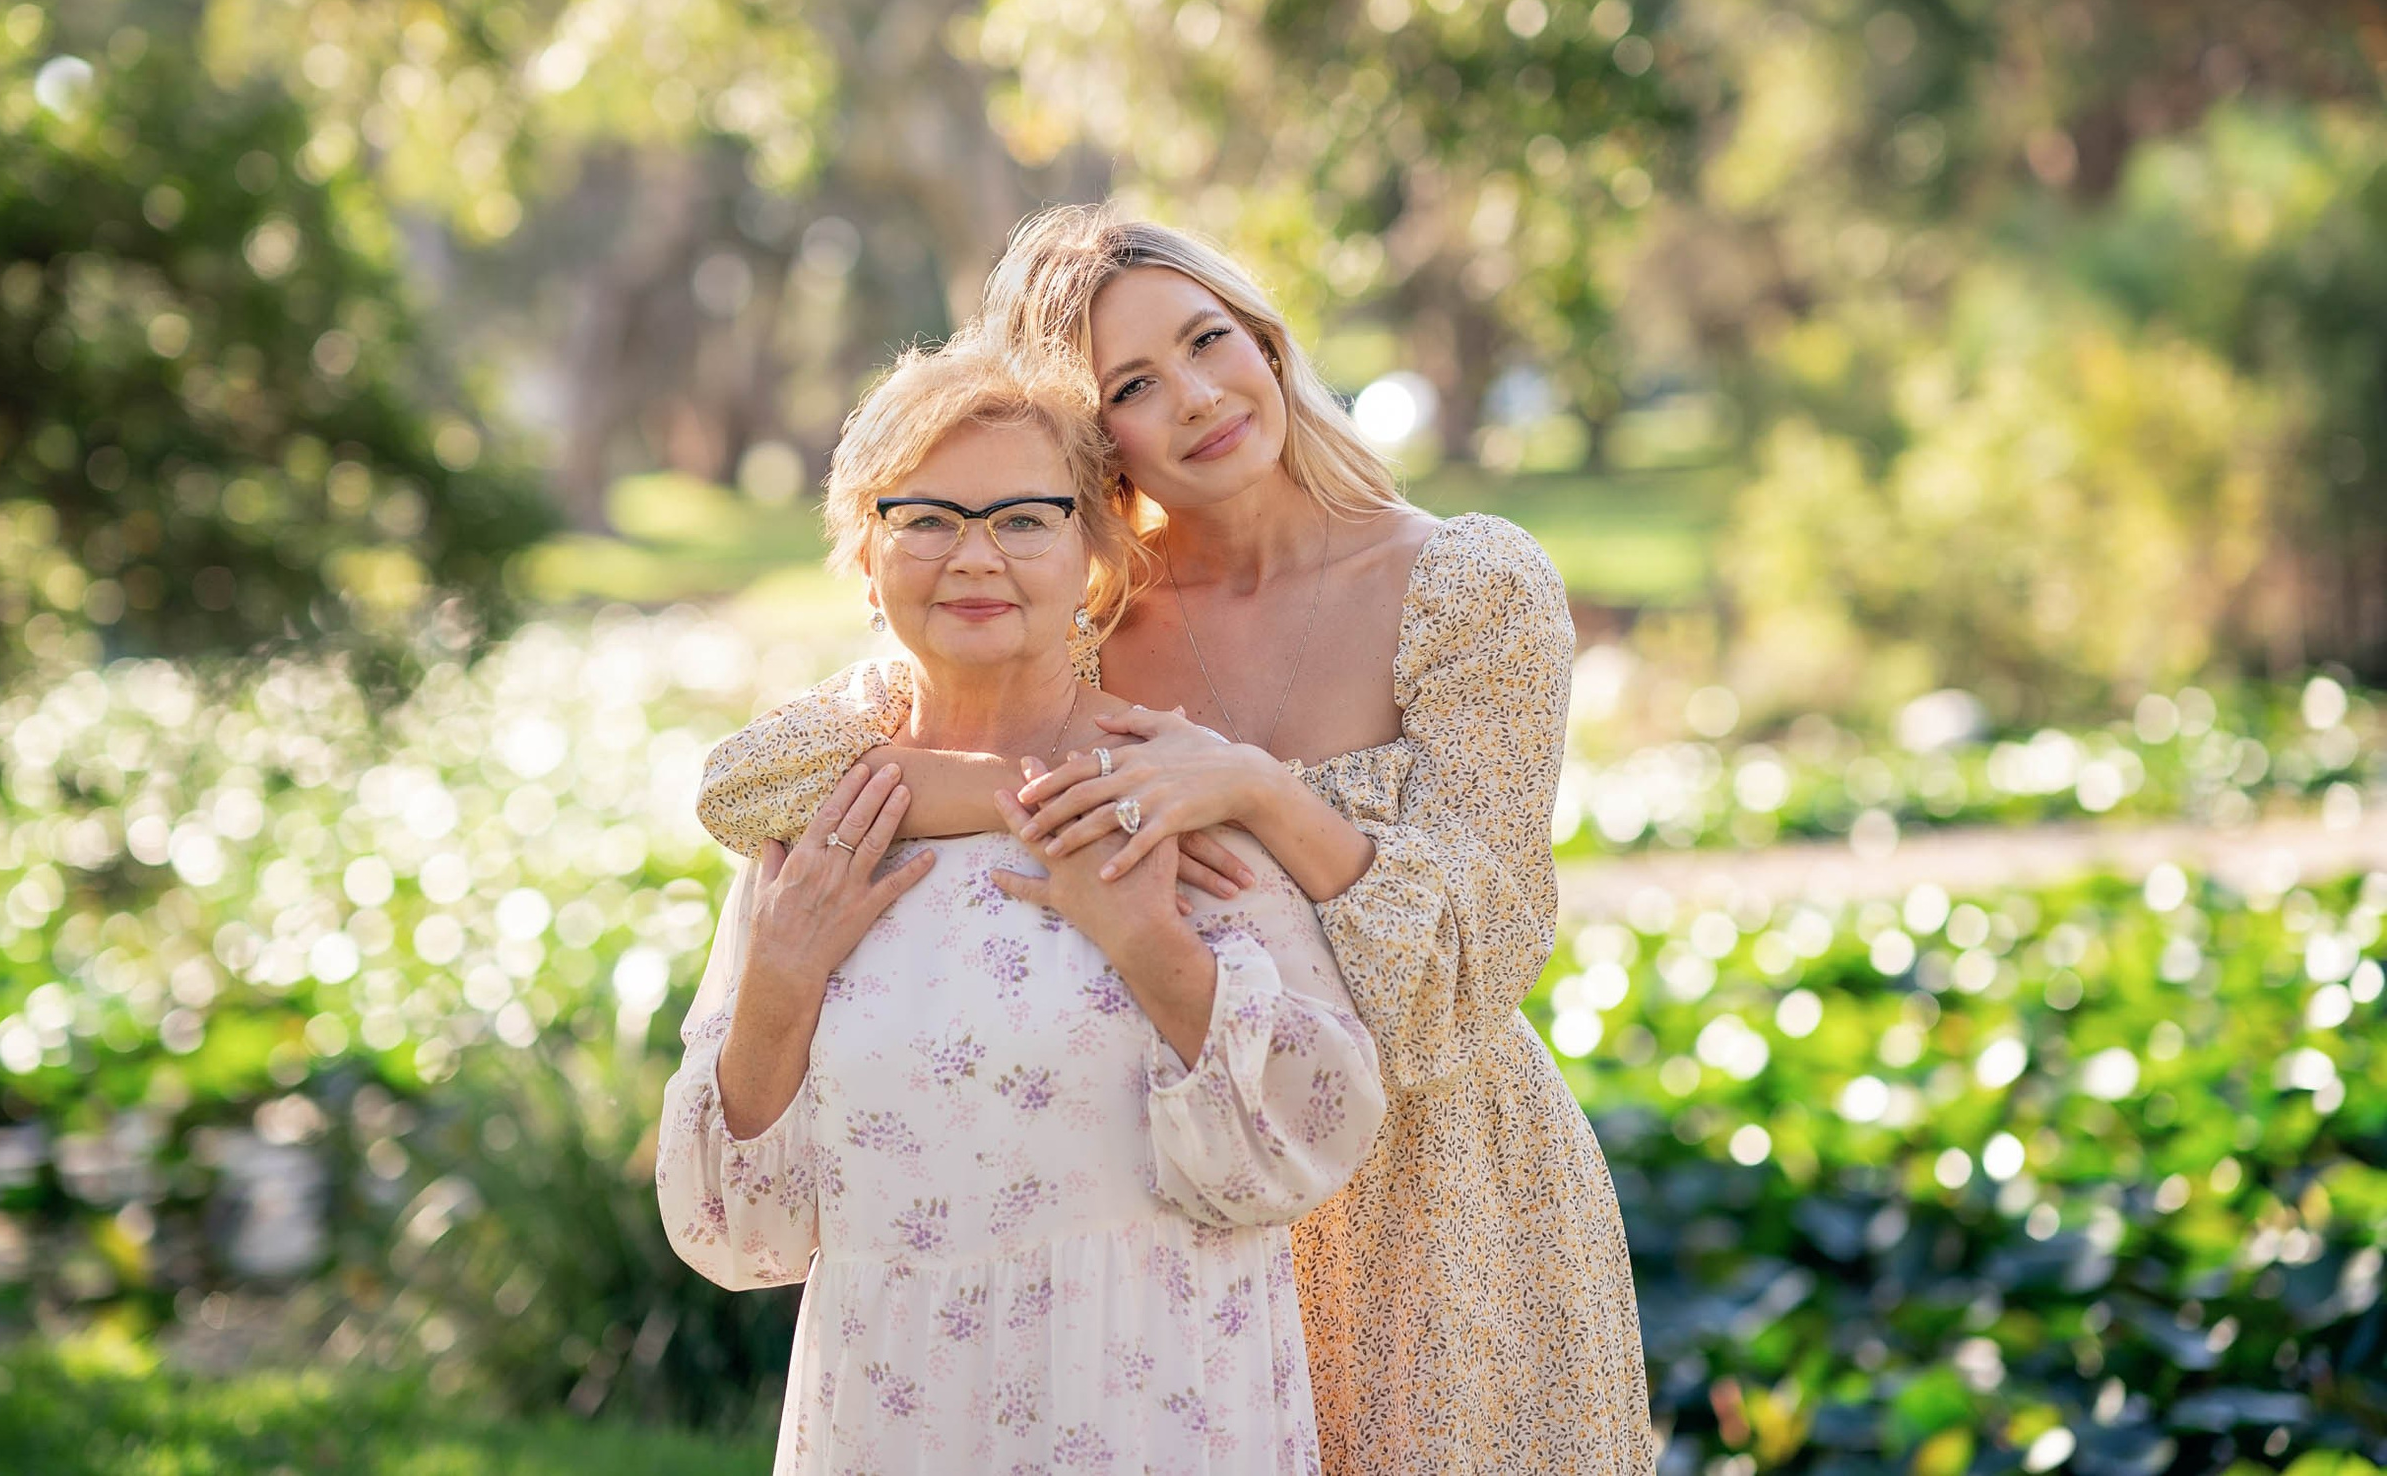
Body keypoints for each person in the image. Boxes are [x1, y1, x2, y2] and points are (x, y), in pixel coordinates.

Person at [696, 206, 1655, 1475]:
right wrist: (1052, 786)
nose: (1198, 396)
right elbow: (757, 781)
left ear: (1264, 340)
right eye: (1134, 385)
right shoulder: (1076, 616)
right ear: (1094, 446)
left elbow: (1461, 975)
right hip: (1170, 1237)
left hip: (1445, 1201)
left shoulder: (1471, 586)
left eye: (1210, 341)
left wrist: (1257, 792)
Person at [657, 341, 1386, 1474]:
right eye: (927, 517)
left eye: (1024, 518)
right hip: (893, 1409)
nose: (974, 557)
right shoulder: (821, 825)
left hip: (1154, 1395)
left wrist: (1147, 939)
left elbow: (1313, 1130)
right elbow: (736, 1227)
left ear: (1096, 550)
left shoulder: (1173, 786)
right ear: (863, 556)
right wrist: (781, 986)